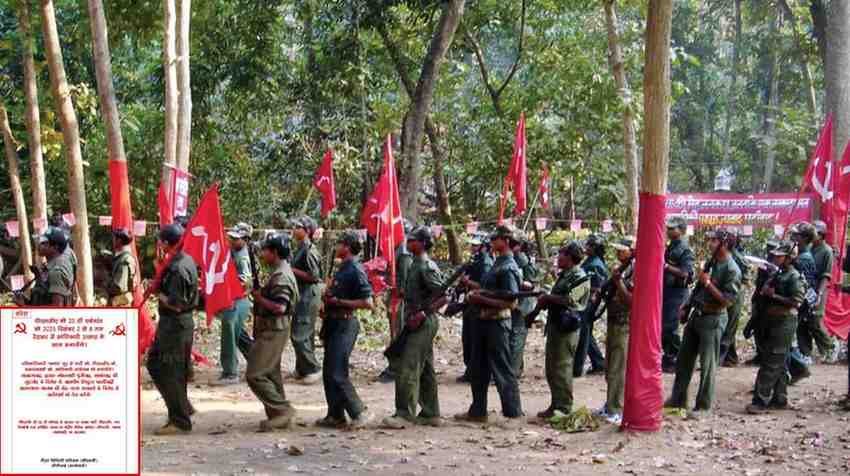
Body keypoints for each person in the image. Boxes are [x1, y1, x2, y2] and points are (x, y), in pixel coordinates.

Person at [665, 228, 741, 416]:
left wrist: (708, 283)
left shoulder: (732, 269)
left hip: (713, 319)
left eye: (714, 241)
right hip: (697, 315)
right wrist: (686, 306)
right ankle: (678, 400)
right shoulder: (712, 262)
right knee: (683, 360)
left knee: (707, 364)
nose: (710, 244)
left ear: (724, 244)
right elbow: (699, 287)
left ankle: (703, 406)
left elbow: (727, 301)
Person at [455, 225, 524, 426]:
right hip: (483, 321)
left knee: (502, 369)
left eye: (495, 238)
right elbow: (490, 289)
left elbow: (511, 301)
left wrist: (480, 299)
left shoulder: (508, 267)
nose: (492, 242)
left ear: (506, 240)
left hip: (498, 323)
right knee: (478, 368)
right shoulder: (497, 263)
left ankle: (512, 413)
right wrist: (477, 293)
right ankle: (478, 411)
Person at [381, 226, 447, 429]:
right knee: (425, 368)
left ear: (423, 243)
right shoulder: (414, 264)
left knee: (407, 366)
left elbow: (442, 296)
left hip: (423, 321)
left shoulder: (426, 266)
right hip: (414, 319)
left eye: (412, 240)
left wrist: (423, 314)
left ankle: (404, 414)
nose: (408, 243)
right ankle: (430, 412)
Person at [318, 231, 374, 429]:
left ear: (347, 247)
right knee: (328, 372)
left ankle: (359, 411)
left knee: (337, 371)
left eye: (339, 244)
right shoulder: (342, 268)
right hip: (333, 322)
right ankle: (335, 415)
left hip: (345, 323)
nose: (336, 247)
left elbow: (368, 302)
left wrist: (339, 302)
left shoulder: (356, 270)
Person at [146, 224, 199, 435]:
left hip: (175, 324)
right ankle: (182, 406)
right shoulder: (181, 260)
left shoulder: (178, 268)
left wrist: (156, 293)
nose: (158, 243)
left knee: (170, 371)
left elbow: (176, 304)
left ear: (166, 243)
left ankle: (180, 420)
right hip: (172, 324)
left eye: (160, 240)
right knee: (156, 364)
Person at [246, 233, 300, 432]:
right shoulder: (280, 271)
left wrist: (259, 298)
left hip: (273, 329)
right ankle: (278, 416)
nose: (262, 254)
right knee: (271, 373)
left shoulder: (281, 276)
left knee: (255, 374)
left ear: (275, 252)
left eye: (265, 250)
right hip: (272, 328)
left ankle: (283, 410)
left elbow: (280, 307)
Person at [534, 241, 591, 419]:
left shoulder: (580, 277)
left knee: (562, 368)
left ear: (570, 258)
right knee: (552, 368)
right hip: (556, 324)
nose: (558, 258)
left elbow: (571, 300)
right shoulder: (565, 275)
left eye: (562, 255)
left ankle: (564, 407)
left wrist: (548, 298)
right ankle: (555, 404)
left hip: (567, 327)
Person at [746, 241, 804, 414]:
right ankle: (779, 398)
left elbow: (796, 301)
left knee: (771, 361)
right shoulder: (778, 273)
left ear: (788, 258)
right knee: (777, 360)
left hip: (784, 322)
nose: (776, 258)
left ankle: (760, 400)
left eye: (780, 256)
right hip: (770, 320)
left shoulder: (794, 276)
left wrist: (774, 296)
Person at [595, 236, 635, 425]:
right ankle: (610, 403)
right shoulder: (622, 268)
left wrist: (618, 283)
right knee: (610, 366)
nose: (618, 253)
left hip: (623, 323)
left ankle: (616, 407)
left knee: (618, 369)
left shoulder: (634, 270)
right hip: (613, 321)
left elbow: (631, 301)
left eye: (622, 250)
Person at [210, 223, 254, 386]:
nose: (232, 240)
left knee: (229, 335)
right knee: (238, 334)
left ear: (245, 240)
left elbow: (245, 283)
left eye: (236, 239)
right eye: (232, 238)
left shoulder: (242, 257)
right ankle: (258, 361)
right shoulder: (234, 251)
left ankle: (230, 373)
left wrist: (227, 288)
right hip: (235, 300)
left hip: (236, 301)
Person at [379, 220, 414, 384]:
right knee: (395, 333)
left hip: (400, 299)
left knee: (398, 334)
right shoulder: (396, 248)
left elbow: (405, 281)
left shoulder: (404, 253)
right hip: (393, 296)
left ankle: (397, 368)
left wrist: (397, 290)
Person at [289, 217, 324, 384]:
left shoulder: (309, 250)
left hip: (308, 294)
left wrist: (291, 269)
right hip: (302, 293)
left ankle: (312, 369)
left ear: (307, 231)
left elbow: (314, 276)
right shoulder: (301, 248)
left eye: (298, 227)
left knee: (299, 334)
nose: (294, 229)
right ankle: (302, 368)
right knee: (304, 332)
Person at [799, 220, 838, 363]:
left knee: (815, 320)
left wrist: (819, 294)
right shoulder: (808, 248)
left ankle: (830, 346)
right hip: (806, 288)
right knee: (802, 320)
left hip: (819, 289)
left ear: (821, 235)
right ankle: (805, 352)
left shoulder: (826, 251)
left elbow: (826, 276)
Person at [458, 233, 494, 383]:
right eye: (472, 245)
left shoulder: (485, 263)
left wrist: (467, 282)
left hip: (479, 305)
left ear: (483, 247)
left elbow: (484, 287)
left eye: (476, 245)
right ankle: (471, 370)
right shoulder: (475, 260)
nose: (472, 247)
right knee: (468, 339)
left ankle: (478, 372)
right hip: (469, 304)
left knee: (475, 340)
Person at [662, 217, 695, 373]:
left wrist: (666, 266)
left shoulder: (685, 249)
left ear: (681, 230)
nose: (668, 231)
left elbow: (685, 273)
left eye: (672, 229)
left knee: (671, 327)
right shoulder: (671, 247)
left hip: (677, 292)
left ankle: (675, 359)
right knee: (665, 327)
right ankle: (669, 357)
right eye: (668, 228)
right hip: (668, 291)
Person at [14, 227, 76, 306]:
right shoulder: (50, 265)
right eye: (41, 242)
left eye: (44, 243)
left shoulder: (56, 272)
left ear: (55, 247)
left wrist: (25, 307)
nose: (39, 245)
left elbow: (57, 307)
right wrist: (26, 302)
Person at [574, 234, 607, 377]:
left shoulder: (595, 264)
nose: (586, 247)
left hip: (588, 303)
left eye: (588, 245)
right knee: (586, 333)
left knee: (584, 334)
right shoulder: (590, 261)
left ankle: (578, 367)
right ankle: (598, 363)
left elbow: (598, 287)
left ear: (594, 248)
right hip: (584, 301)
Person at [787, 222, 817, 384]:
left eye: (797, 235)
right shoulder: (803, 256)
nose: (793, 237)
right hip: (802, 302)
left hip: (800, 303)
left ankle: (800, 367)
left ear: (804, 238)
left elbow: (801, 285)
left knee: (786, 337)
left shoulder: (803, 259)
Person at [743, 240, 780, 366]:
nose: (769, 251)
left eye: (772, 249)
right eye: (769, 249)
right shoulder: (763, 265)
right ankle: (760, 355)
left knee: (766, 330)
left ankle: (765, 356)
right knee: (757, 329)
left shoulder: (777, 268)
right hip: (759, 300)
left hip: (768, 303)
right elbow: (758, 284)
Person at [511, 235, 541, 379]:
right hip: (522, 303)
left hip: (522, 304)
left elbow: (529, 284)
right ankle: (517, 367)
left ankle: (514, 371)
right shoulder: (522, 259)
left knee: (517, 338)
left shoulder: (520, 260)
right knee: (516, 337)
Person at [720, 231, 751, 367]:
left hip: (735, 294)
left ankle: (719, 357)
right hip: (728, 292)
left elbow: (745, 279)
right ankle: (731, 358)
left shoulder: (736, 257)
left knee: (729, 326)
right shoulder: (725, 255)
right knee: (728, 324)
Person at [106, 228, 138, 307]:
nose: (113, 241)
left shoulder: (124, 260)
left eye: (114, 238)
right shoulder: (122, 257)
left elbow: (119, 287)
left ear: (119, 240)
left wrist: (105, 283)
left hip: (119, 304)